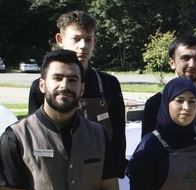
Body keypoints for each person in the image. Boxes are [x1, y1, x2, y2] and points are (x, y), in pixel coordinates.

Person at [0, 49, 119, 190]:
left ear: (82, 89)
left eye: (72, 79)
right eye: (57, 78)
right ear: (42, 85)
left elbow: (110, 189)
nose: (65, 85)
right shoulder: (16, 137)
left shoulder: (98, 134)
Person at [27, 10, 127, 177]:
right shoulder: (41, 87)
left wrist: (116, 170)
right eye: (76, 39)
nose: (83, 46)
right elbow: (34, 135)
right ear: (60, 39)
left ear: (95, 42)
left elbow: (118, 133)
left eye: (88, 40)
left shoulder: (109, 84)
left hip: (100, 171)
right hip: (55, 171)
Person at [141, 35, 196, 160]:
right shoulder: (155, 104)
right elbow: (146, 151)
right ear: (172, 62)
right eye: (185, 58)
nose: (192, 64)